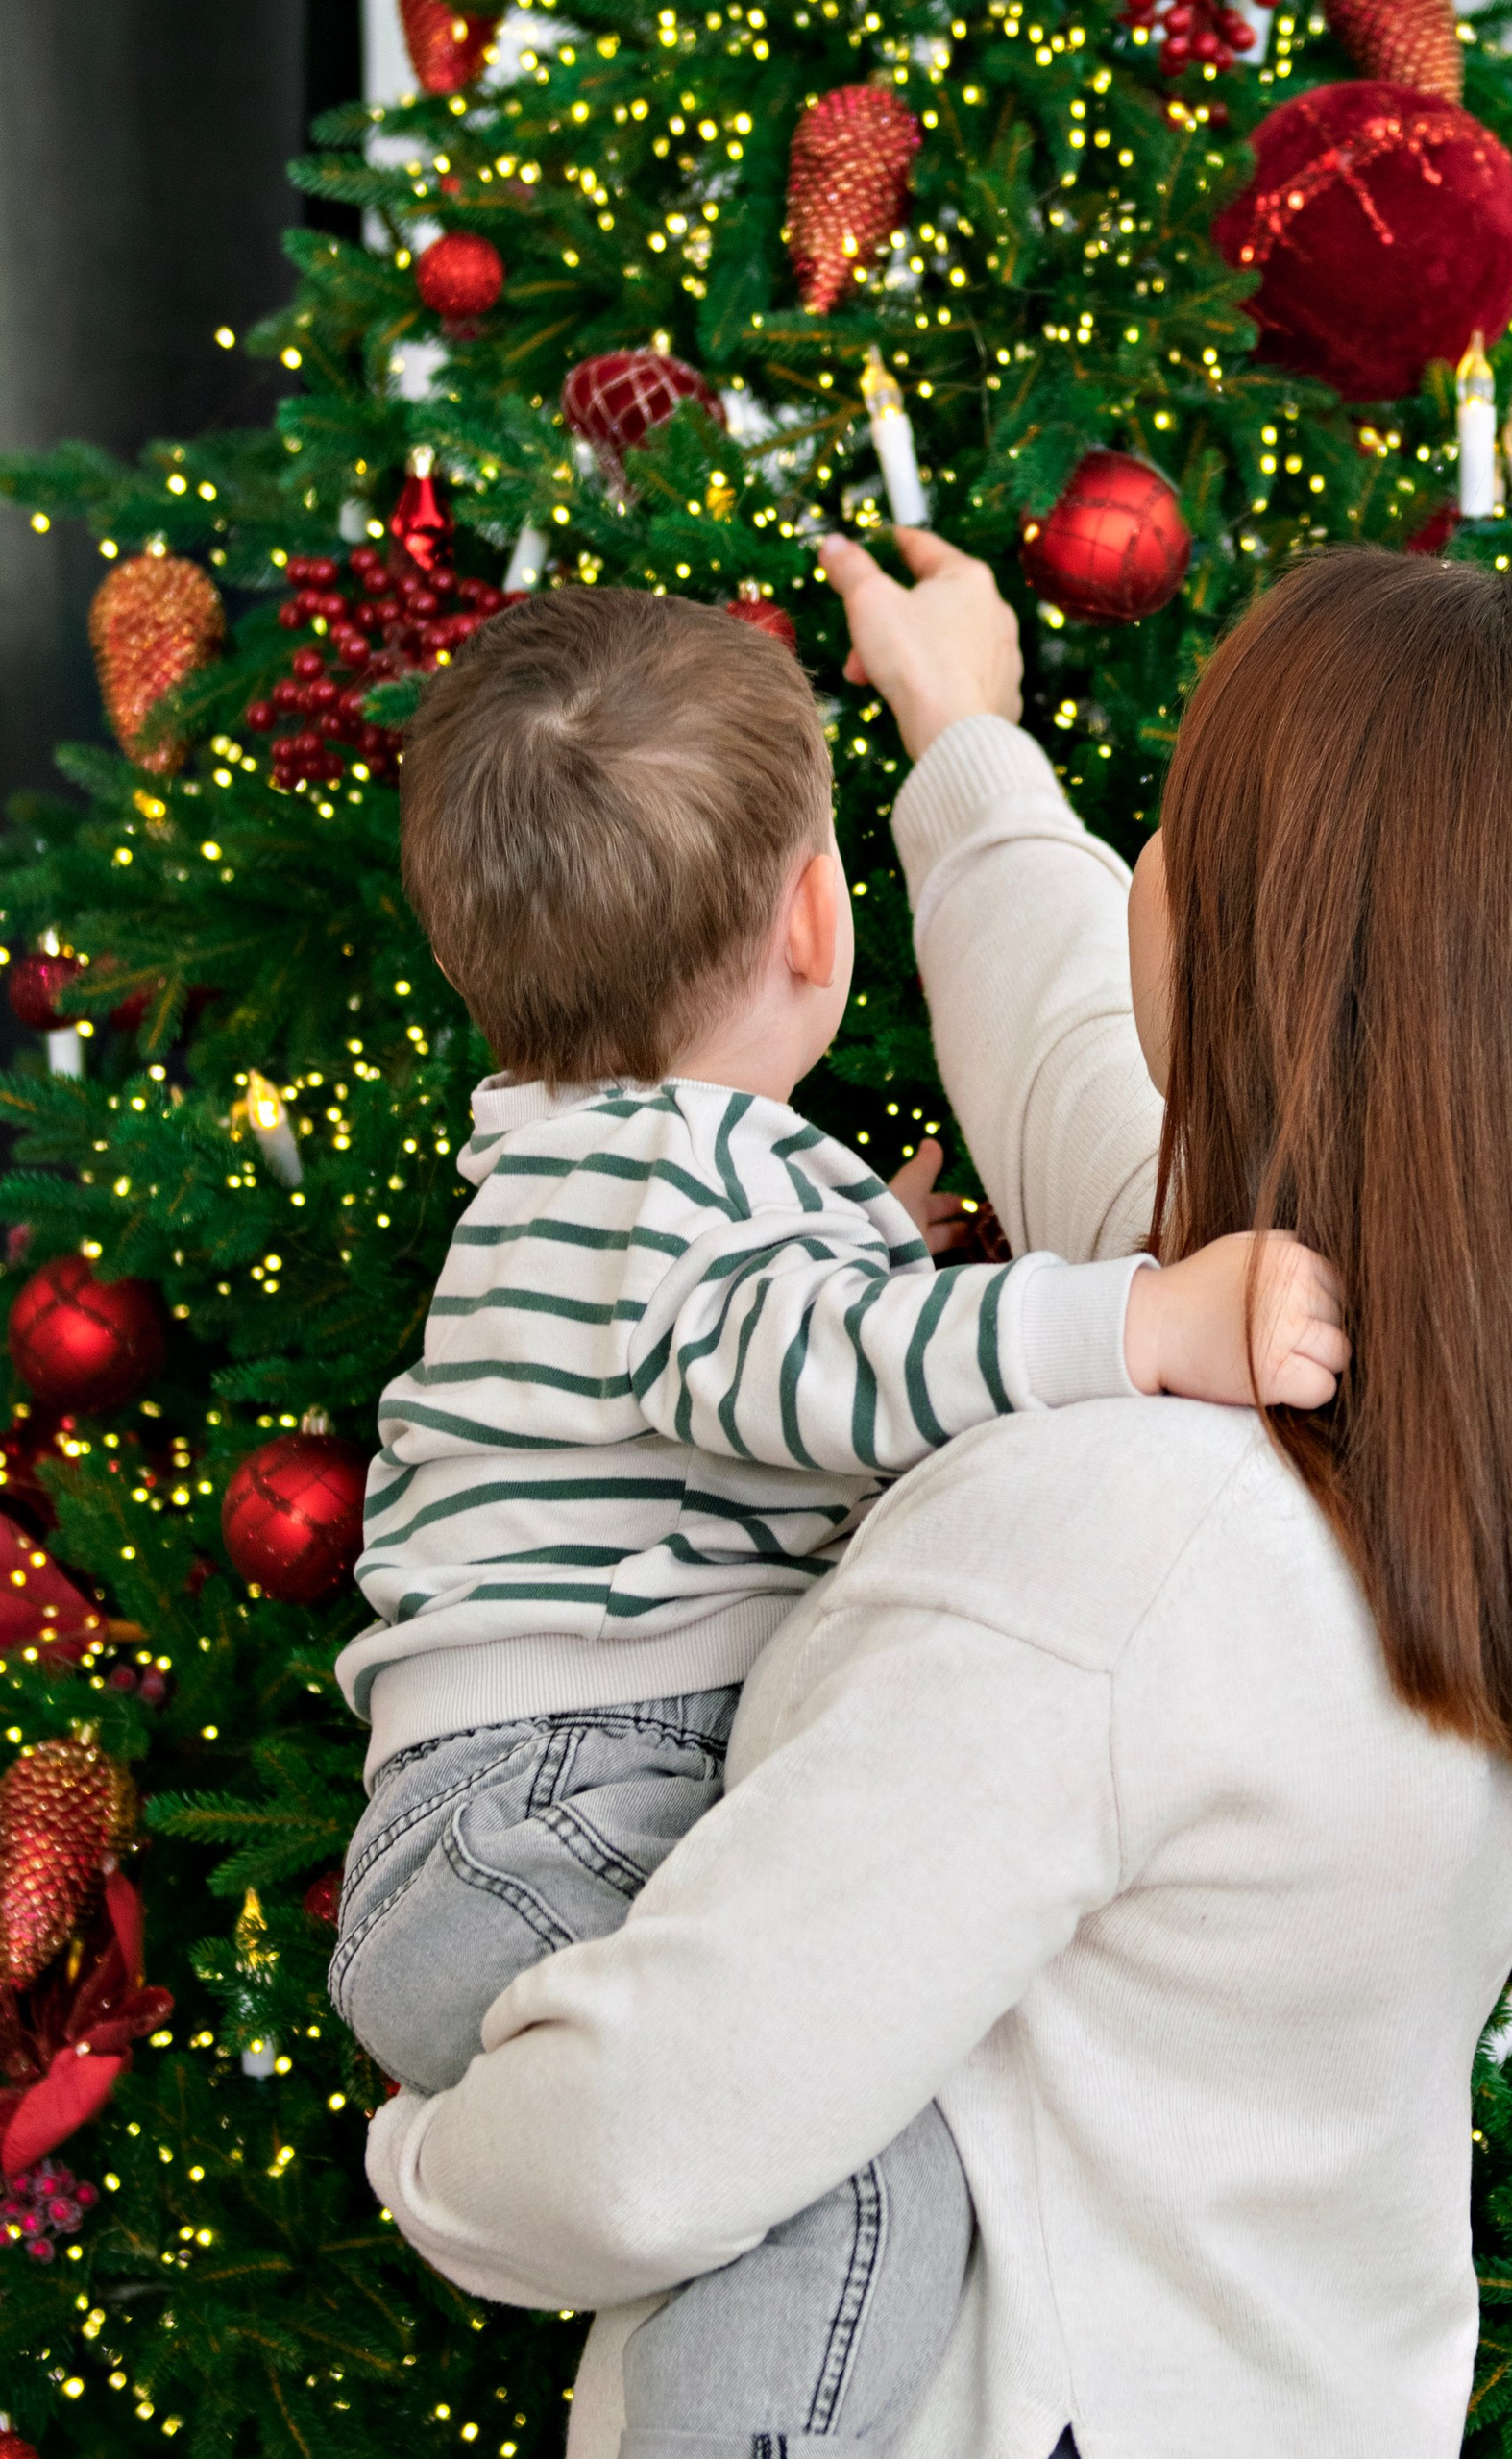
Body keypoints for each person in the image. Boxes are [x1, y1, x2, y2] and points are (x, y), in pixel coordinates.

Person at [367, 541, 1512, 2459]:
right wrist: (959, 734)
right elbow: (1081, 1074)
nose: (1133, 873)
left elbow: (638, 2137)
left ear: (1258, 936)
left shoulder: (1118, 1540)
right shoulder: (1441, 1421)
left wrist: (424, 2148)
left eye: (1169, 819)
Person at [331, 586, 1348, 2459]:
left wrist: (855, 1245)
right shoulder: (696, 1188)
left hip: (477, 1819)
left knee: (778, 2176)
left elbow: (735, 1356)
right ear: (817, 912)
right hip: (572, 1794)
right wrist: (1153, 1321)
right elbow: (806, 1361)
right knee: (849, 2181)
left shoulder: (573, 1166)